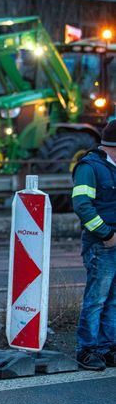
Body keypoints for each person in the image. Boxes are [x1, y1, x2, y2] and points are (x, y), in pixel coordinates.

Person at [72, 119, 116, 371]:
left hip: (110, 243)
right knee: (97, 299)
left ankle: (108, 347)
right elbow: (82, 205)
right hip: (102, 245)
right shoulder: (90, 167)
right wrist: (106, 234)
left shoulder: (108, 167)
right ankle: (87, 349)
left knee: (112, 300)